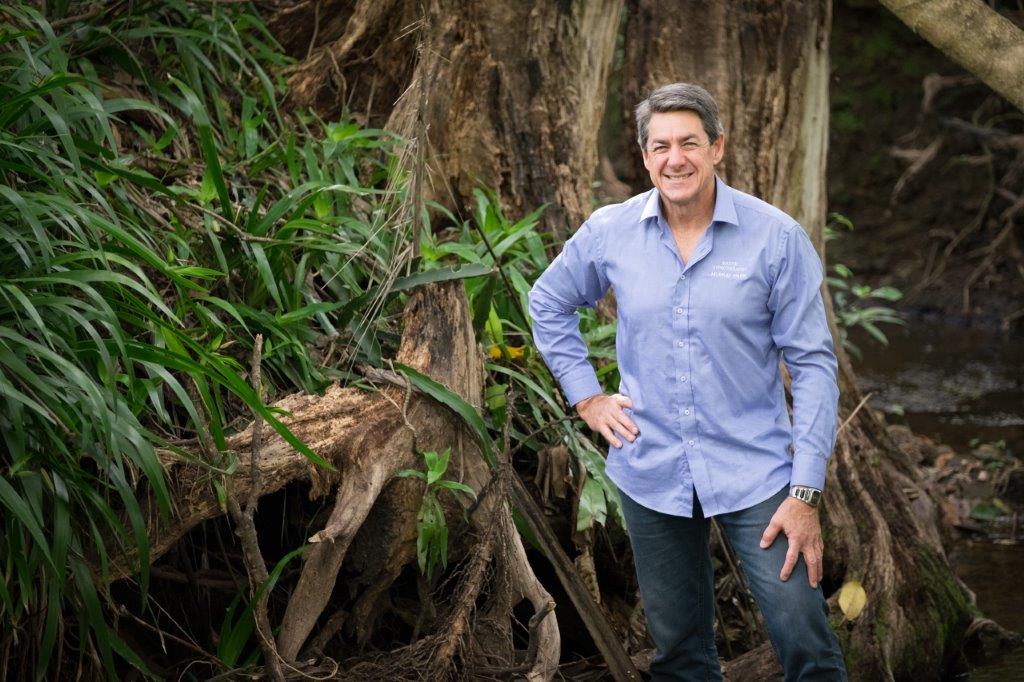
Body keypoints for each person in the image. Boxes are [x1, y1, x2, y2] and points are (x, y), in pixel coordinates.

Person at [527, 83, 847, 681]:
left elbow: (812, 366)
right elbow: (548, 303)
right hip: (651, 470)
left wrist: (805, 493)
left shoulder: (775, 238)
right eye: (661, 146)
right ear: (646, 157)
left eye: (690, 143)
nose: (676, 158)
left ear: (717, 147)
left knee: (805, 637)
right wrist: (588, 397)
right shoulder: (609, 232)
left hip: (758, 473)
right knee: (679, 657)